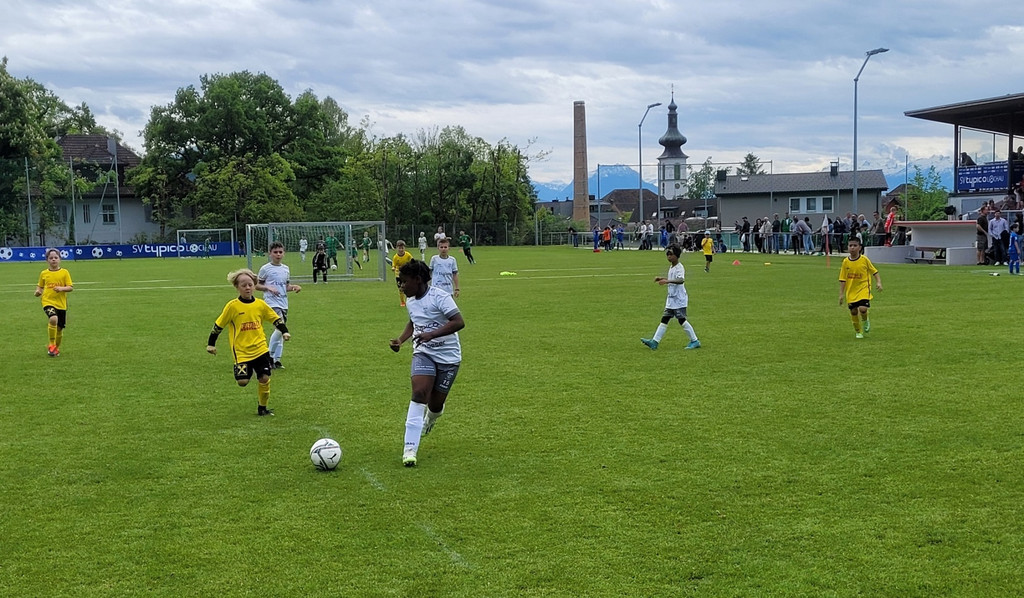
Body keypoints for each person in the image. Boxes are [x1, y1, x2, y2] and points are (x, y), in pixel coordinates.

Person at [389, 259, 465, 467]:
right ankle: (410, 448)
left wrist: (432, 334)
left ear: (418, 280)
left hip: (449, 357)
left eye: (404, 282)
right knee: (419, 393)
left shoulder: (440, 297)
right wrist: (401, 340)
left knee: (435, 404)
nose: (401, 286)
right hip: (424, 353)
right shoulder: (411, 301)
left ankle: (430, 418)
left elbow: (459, 322)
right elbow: (413, 322)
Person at [207, 268, 290, 416]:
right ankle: (249, 371)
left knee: (264, 378)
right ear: (237, 287)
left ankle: (262, 408)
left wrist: (284, 331)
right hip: (241, 351)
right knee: (243, 382)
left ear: (254, 286)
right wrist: (211, 344)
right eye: (243, 285)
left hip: (260, 348)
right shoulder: (232, 306)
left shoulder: (260, 304)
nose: (247, 288)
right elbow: (218, 325)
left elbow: (275, 319)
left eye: (250, 285)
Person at [641, 244, 701, 351]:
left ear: (676, 255)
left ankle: (695, 340)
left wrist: (667, 281)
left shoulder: (679, 267)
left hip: (679, 299)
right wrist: (662, 278)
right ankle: (654, 342)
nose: (668, 256)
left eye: (671, 254)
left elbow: (681, 280)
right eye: (667, 254)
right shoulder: (672, 267)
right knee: (665, 319)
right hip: (671, 299)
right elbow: (673, 279)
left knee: (681, 320)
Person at [257, 241, 302, 370]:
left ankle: (277, 360)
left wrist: (294, 287)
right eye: (275, 252)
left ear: (284, 253)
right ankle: (269, 357)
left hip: (283, 303)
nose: (278, 254)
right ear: (270, 254)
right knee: (280, 327)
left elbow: (285, 287)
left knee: (281, 330)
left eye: (280, 252)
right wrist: (268, 288)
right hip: (271, 302)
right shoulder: (265, 269)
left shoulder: (285, 269)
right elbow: (257, 285)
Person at [838, 238, 882, 340]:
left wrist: (878, 282)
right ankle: (858, 331)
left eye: (855, 245)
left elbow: (874, 271)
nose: (852, 248)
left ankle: (865, 320)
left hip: (863, 288)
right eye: (850, 246)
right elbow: (842, 279)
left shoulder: (864, 260)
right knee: (853, 311)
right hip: (851, 291)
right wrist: (841, 294)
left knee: (863, 309)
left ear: (860, 248)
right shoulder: (845, 262)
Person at [34, 248, 73, 357]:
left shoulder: (64, 272)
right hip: (47, 301)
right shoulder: (44, 273)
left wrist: (61, 288)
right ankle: (51, 344)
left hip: (61, 304)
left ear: (60, 259)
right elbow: (40, 286)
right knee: (53, 318)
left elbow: (70, 287)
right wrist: (37, 292)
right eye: (51, 258)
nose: (53, 260)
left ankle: (55, 348)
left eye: (56, 257)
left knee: (59, 328)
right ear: (47, 260)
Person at [391, 240, 414, 306]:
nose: (401, 250)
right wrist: (393, 268)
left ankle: (410, 300)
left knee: (408, 287)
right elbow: (394, 265)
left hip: (407, 274)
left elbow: (412, 261)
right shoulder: (395, 257)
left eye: (402, 248)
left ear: (404, 248)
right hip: (398, 275)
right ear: (396, 248)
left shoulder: (408, 255)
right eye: (399, 248)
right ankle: (402, 302)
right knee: (401, 289)